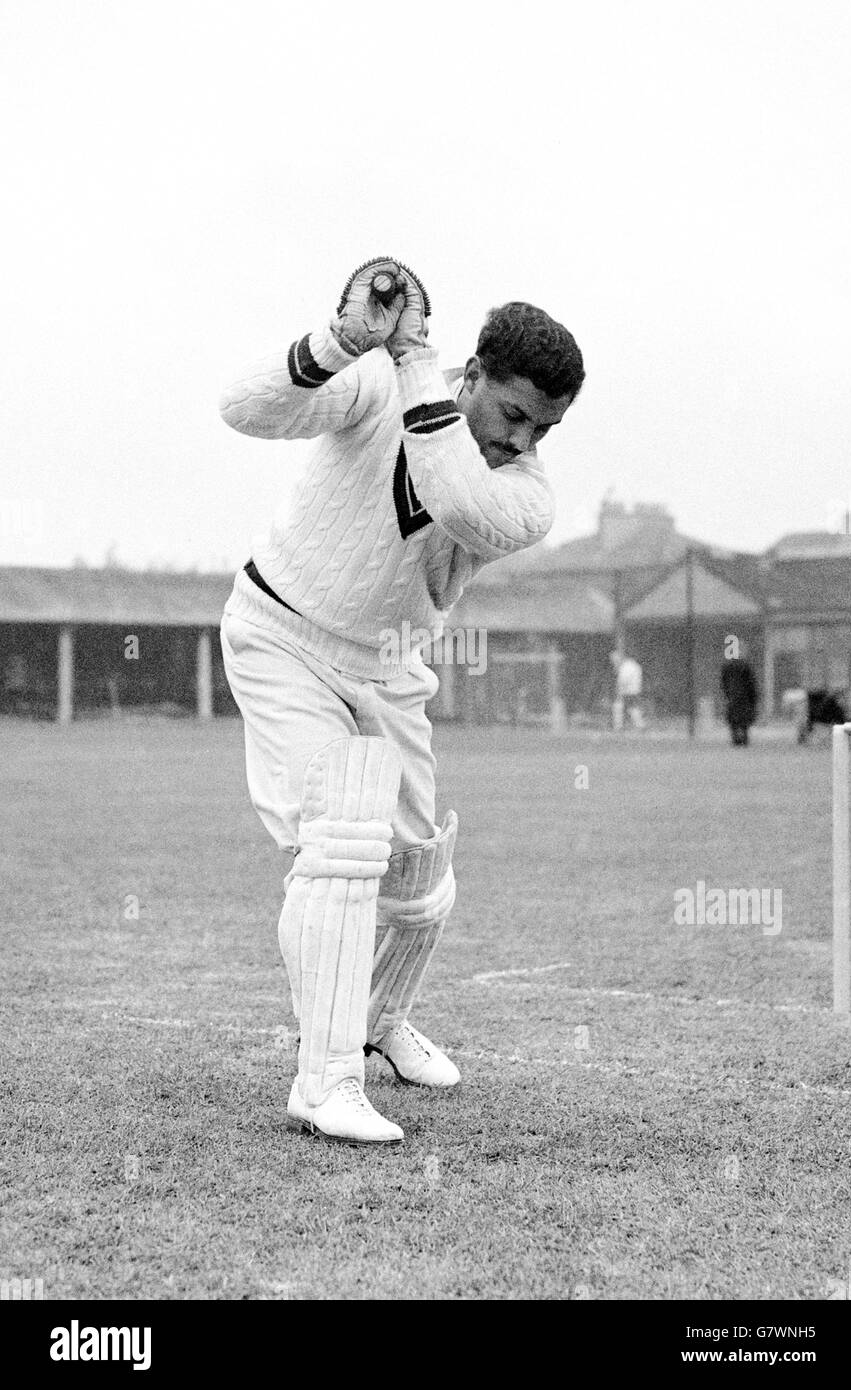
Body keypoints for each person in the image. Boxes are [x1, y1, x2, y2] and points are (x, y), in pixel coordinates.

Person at [218, 258, 585, 1145]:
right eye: (511, 414)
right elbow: (243, 407)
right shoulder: (379, 383)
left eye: (544, 427)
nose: (521, 441)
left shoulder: (525, 495)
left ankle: (377, 1021)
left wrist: (413, 351)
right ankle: (326, 1077)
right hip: (284, 632)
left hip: (390, 669)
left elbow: (457, 494)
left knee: (420, 883)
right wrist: (345, 340)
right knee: (342, 840)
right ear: (474, 374)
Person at [720, 650, 758, 745]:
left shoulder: (727, 668)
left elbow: (723, 683)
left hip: (733, 697)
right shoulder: (746, 667)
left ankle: (735, 738)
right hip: (745, 698)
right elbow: (751, 684)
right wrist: (754, 698)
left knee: (734, 720)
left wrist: (727, 694)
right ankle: (744, 737)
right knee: (744, 720)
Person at [609, 650, 645, 729]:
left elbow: (623, 681)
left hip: (628, 691)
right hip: (634, 689)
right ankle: (639, 725)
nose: (613, 663)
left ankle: (618, 726)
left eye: (614, 660)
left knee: (620, 707)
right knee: (632, 708)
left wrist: (618, 692)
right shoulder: (631, 665)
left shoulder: (626, 667)